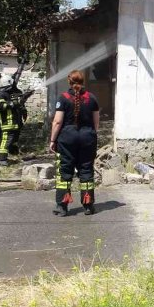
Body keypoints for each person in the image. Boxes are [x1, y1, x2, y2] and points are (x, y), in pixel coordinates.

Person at [49, 70, 100, 216]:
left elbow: (57, 121)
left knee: (65, 170)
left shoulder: (63, 98)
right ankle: (88, 206)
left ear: (69, 81)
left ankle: (62, 207)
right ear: (83, 81)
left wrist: (53, 140)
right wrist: (90, 135)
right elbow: (96, 123)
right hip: (87, 138)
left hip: (67, 139)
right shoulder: (92, 98)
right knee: (86, 170)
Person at [0, 74, 20, 166]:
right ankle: (2, 159)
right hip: (6, 123)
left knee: (11, 140)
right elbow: (0, 106)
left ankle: (9, 154)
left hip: (12, 122)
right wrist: (12, 104)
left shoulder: (7, 94)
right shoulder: (0, 95)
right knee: (6, 140)